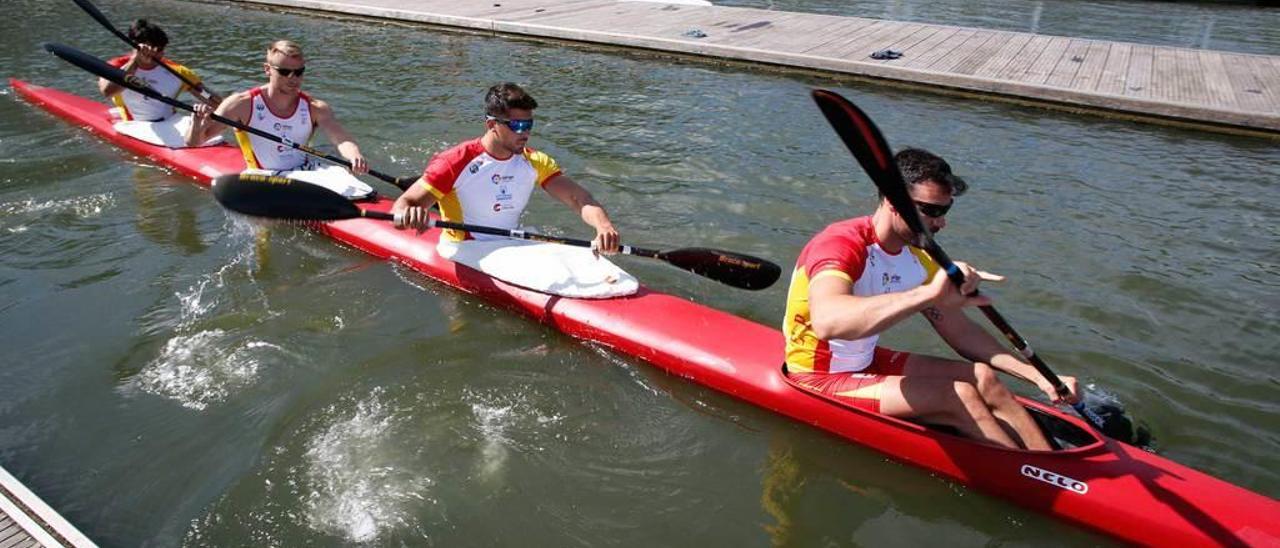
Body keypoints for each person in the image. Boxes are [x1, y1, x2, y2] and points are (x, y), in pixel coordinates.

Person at [782, 148, 1077, 450]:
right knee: (958, 396)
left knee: (982, 377)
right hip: (816, 377)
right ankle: (1033, 484)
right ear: (895, 202)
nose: (941, 223)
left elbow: (961, 332)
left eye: (944, 211)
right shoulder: (841, 245)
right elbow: (828, 322)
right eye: (931, 211)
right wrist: (928, 294)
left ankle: (1048, 463)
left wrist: (1038, 377)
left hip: (866, 361)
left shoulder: (919, 259)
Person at [392, 83, 619, 254]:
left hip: (508, 244)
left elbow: (578, 198)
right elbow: (400, 208)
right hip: (465, 250)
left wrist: (604, 226)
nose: (525, 132)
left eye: (529, 124)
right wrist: (408, 215)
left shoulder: (534, 160)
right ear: (492, 125)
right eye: (517, 125)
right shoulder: (454, 161)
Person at [185, 40, 370, 197]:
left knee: (356, 185)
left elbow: (341, 139)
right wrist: (196, 123)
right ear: (267, 69)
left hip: (304, 172)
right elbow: (194, 142)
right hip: (261, 177)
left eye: (299, 72)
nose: (293, 78)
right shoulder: (240, 104)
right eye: (284, 72)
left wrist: (355, 156)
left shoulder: (315, 107)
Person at [100, 19, 221, 122]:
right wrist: (133, 61)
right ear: (137, 47)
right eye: (152, 49)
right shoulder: (115, 66)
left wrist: (218, 107)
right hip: (133, 126)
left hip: (169, 122)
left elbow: (210, 98)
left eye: (161, 49)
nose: (157, 54)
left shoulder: (178, 71)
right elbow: (108, 92)